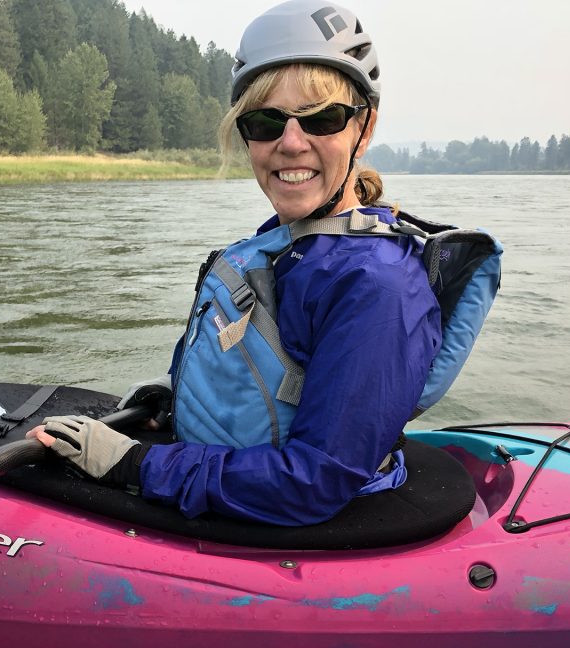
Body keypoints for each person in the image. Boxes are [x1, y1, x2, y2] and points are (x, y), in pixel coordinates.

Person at [28, 0, 441, 526]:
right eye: (266, 121)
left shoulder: (379, 286)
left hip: (306, 520)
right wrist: (174, 401)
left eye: (323, 118)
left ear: (365, 127)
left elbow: (314, 480)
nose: (291, 143)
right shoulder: (282, 242)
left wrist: (135, 464)